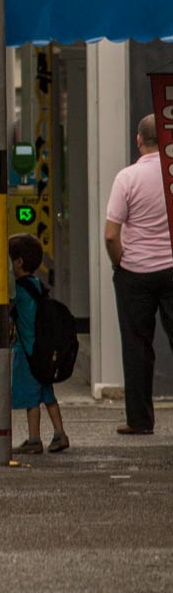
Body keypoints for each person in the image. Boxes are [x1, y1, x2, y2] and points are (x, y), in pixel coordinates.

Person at [104, 113, 173, 437]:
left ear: (138, 139)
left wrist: (120, 264)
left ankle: (140, 420)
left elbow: (110, 234)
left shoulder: (126, 178)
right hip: (172, 269)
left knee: (136, 347)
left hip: (135, 272)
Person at [9, 232, 69, 455]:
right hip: (42, 350)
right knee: (47, 393)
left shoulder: (19, 289)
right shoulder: (37, 284)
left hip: (28, 351)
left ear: (18, 262)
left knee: (31, 397)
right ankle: (60, 433)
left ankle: (34, 439)